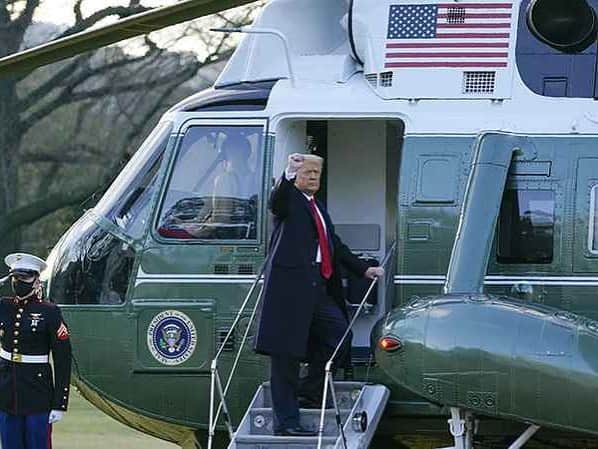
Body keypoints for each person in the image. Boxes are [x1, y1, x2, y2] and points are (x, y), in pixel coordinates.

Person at [255, 153, 384, 437]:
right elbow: (275, 201)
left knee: (340, 336)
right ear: (296, 176)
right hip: (289, 290)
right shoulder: (289, 200)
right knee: (285, 356)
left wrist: (364, 270)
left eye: (317, 174)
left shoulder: (318, 207)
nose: (313, 178)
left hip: (317, 285)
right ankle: (287, 422)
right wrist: (287, 175)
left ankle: (308, 391)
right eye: (307, 173)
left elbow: (333, 245)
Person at [0, 253, 72, 449]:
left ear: (36, 280)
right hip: (7, 394)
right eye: (15, 277)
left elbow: (63, 360)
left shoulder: (50, 312)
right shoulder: (4, 306)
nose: (19, 282)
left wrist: (60, 403)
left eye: (25, 277)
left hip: (37, 394)